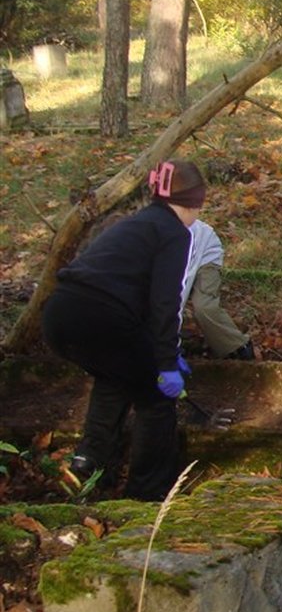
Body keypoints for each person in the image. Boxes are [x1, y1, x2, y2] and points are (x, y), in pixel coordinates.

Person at [41, 159, 206, 501]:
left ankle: (88, 467)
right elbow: (164, 303)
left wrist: (166, 352)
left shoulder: (136, 223)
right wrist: (165, 364)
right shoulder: (175, 233)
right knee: (156, 398)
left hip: (60, 314)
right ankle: (148, 494)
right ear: (193, 202)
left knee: (115, 378)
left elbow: (133, 298)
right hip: (101, 318)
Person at [182, 220, 255, 360]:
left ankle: (238, 347)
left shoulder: (184, 234)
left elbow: (182, 285)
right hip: (184, 260)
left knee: (204, 307)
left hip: (205, 256)